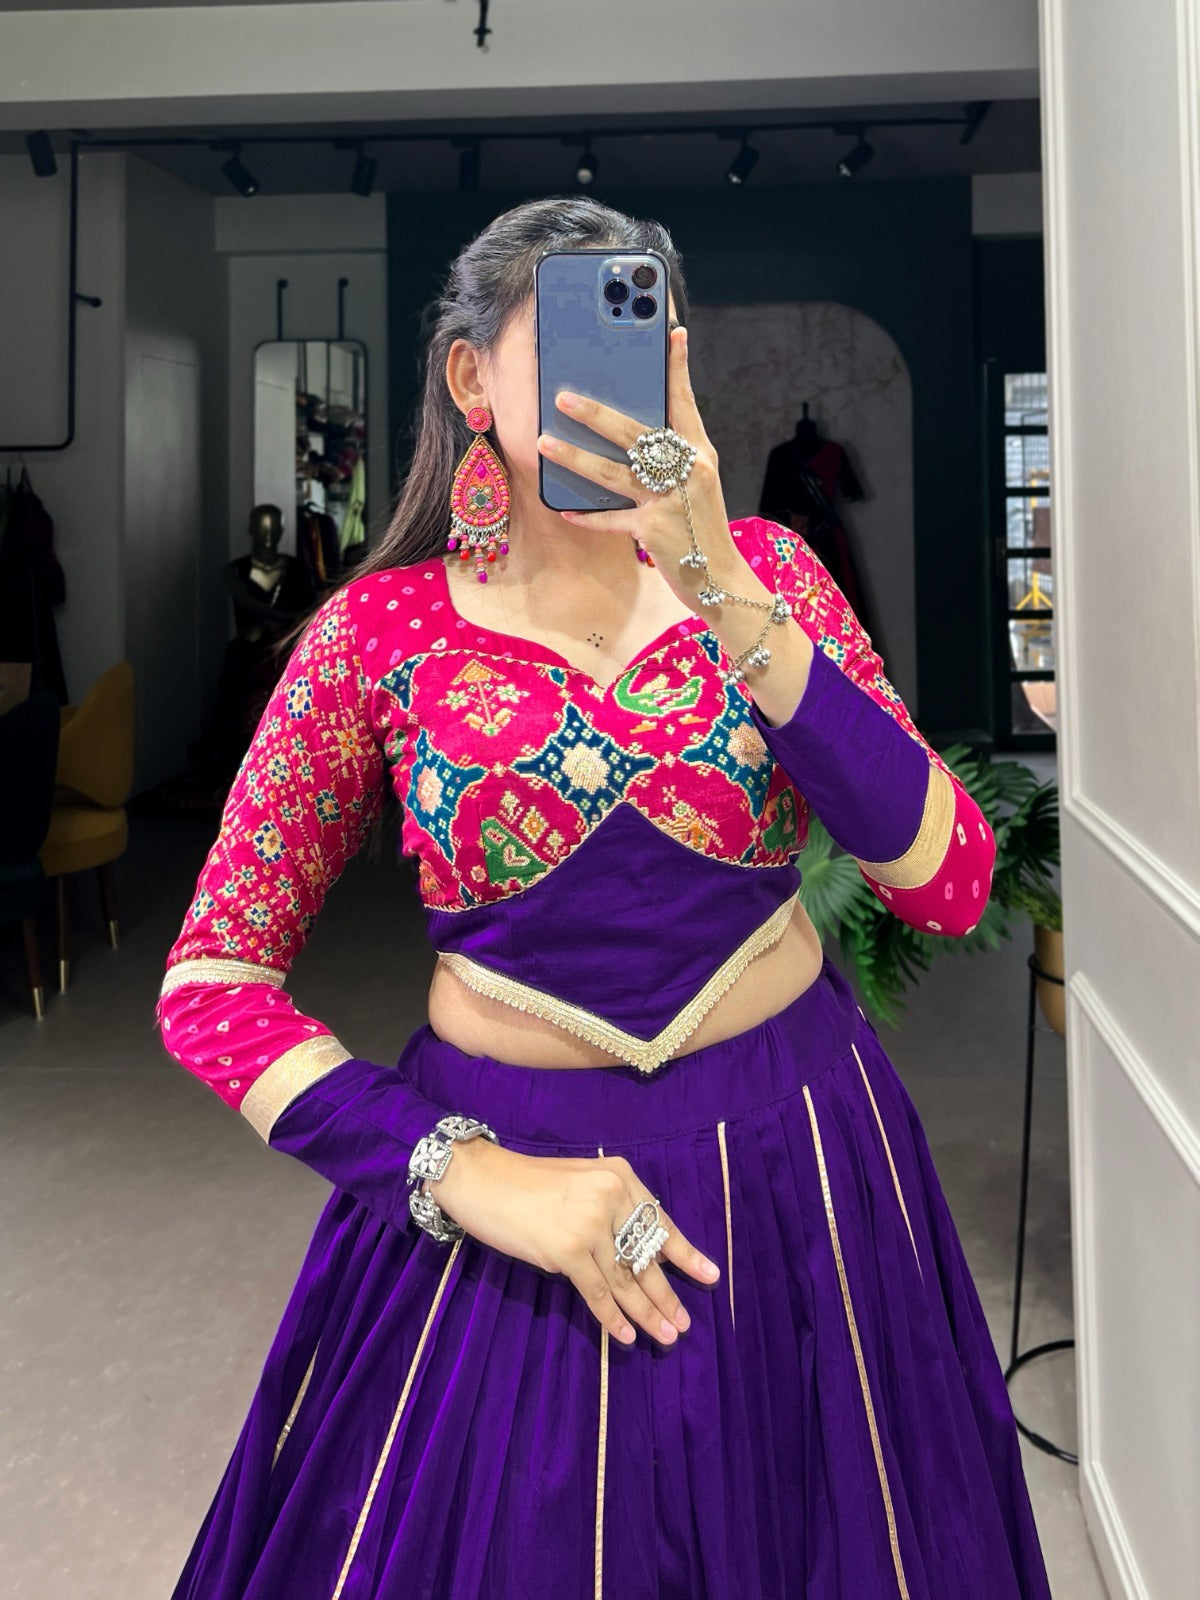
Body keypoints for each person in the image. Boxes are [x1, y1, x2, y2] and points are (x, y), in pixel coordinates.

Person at [157, 197, 1052, 1600]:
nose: (613, 386)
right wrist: (459, 1173)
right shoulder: (373, 637)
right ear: (471, 378)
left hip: (806, 1161)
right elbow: (212, 988)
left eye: (646, 341)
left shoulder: (773, 578)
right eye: (572, 339)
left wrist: (719, 581)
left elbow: (949, 882)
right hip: (508, 1190)